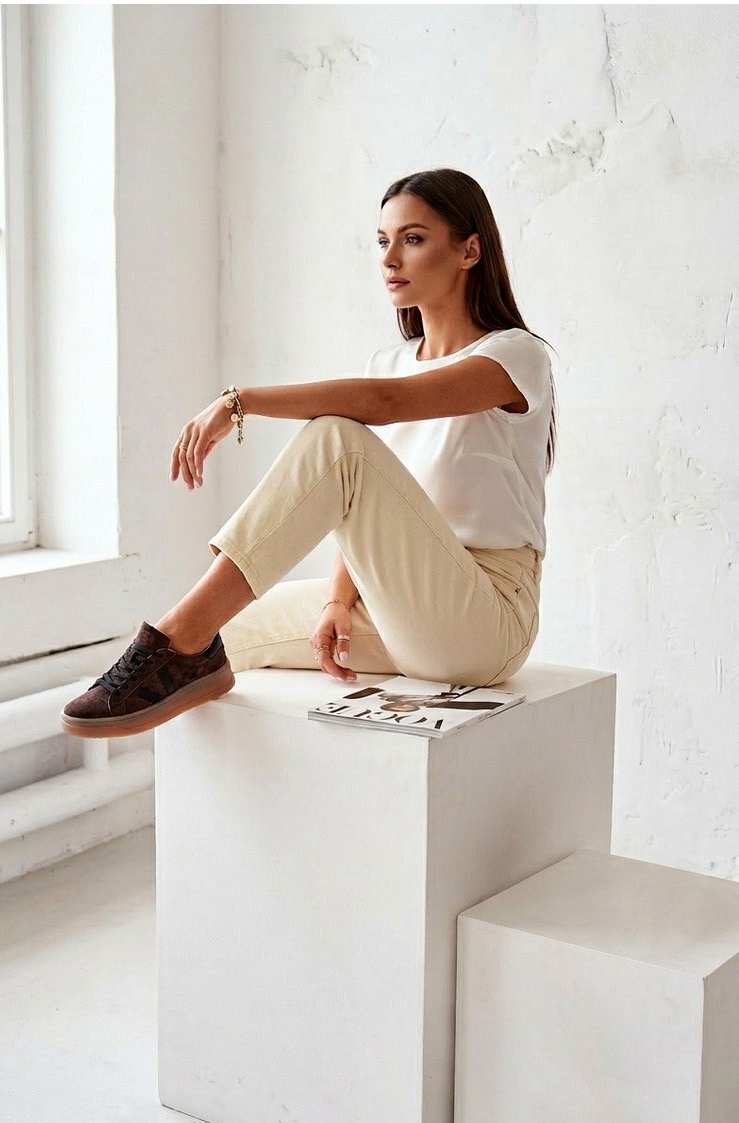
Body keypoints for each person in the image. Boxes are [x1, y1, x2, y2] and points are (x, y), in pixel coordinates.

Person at [61, 167, 557, 739]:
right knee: (225, 637)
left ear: (469, 250)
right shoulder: (389, 362)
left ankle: (173, 638)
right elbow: (365, 509)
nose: (390, 258)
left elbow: (386, 404)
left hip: (485, 618)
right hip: (397, 607)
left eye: (413, 238)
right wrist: (337, 601)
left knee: (337, 436)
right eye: (383, 241)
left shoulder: (516, 356)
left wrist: (241, 401)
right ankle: (186, 656)